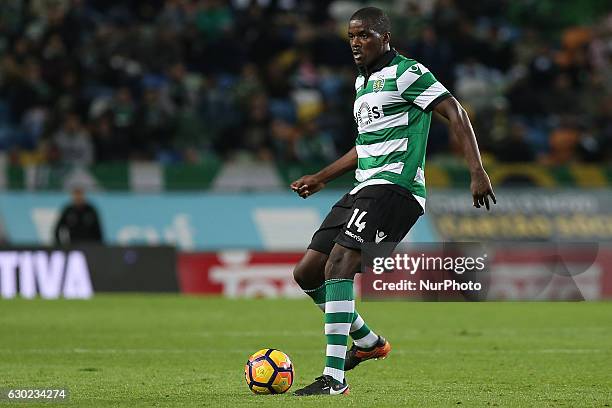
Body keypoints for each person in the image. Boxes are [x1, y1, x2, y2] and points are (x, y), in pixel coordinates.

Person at [291, 7, 496, 396]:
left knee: (340, 262)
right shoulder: (362, 84)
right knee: (306, 273)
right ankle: (368, 343)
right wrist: (320, 178)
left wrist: (476, 171)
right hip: (363, 187)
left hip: (396, 188)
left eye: (364, 35)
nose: (355, 42)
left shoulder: (409, 73)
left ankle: (334, 379)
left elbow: (455, 112)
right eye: (351, 36)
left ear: (384, 37)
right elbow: (364, 145)